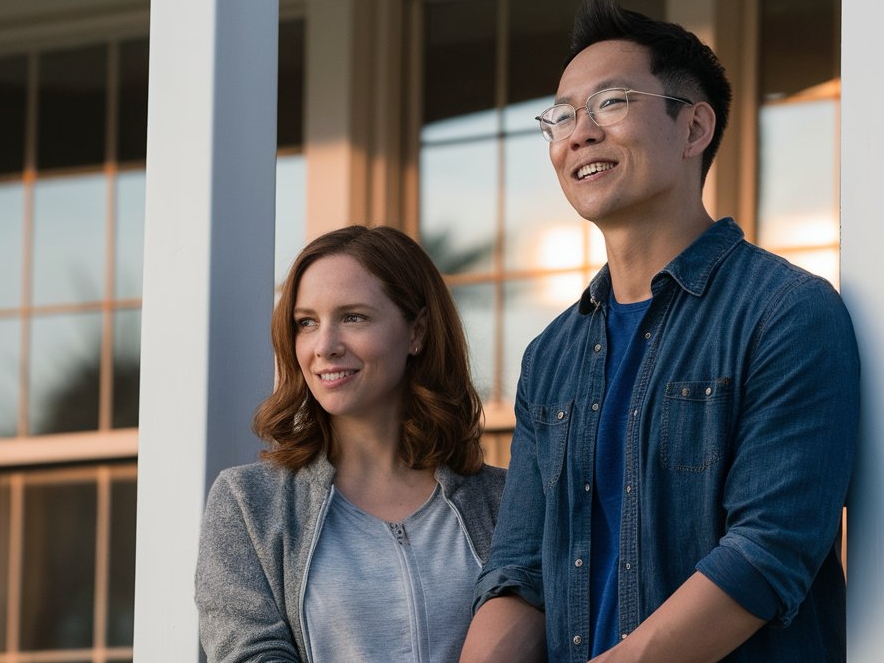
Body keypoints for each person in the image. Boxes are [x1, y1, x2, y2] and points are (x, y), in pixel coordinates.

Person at [459, 1, 860, 662]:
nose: (577, 134)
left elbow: (766, 553)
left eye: (609, 103)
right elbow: (520, 572)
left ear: (693, 126)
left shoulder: (788, 313)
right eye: (560, 115)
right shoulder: (550, 356)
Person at [196, 225, 506, 663]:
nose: (324, 346)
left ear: (416, 331)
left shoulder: (504, 502)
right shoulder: (249, 504)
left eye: (353, 317)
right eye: (306, 323)